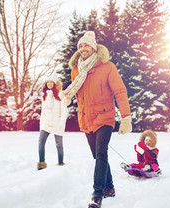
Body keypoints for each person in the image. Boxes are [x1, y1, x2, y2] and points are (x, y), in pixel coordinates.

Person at [59, 31, 132, 208]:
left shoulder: (107, 67)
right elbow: (80, 93)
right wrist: (68, 97)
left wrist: (126, 117)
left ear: (94, 47)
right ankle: (110, 188)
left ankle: (97, 194)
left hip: (105, 117)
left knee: (101, 154)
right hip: (86, 119)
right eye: (80, 46)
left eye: (86, 45)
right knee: (97, 155)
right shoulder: (76, 70)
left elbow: (120, 92)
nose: (83, 49)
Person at [37, 74, 68, 170]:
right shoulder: (45, 95)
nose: (49, 84)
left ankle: (60, 163)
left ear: (55, 83)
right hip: (46, 123)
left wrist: (61, 123)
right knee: (40, 142)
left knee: (59, 145)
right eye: (48, 82)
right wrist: (41, 124)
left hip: (57, 123)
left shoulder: (60, 95)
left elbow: (64, 111)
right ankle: (41, 163)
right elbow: (43, 111)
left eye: (51, 82)